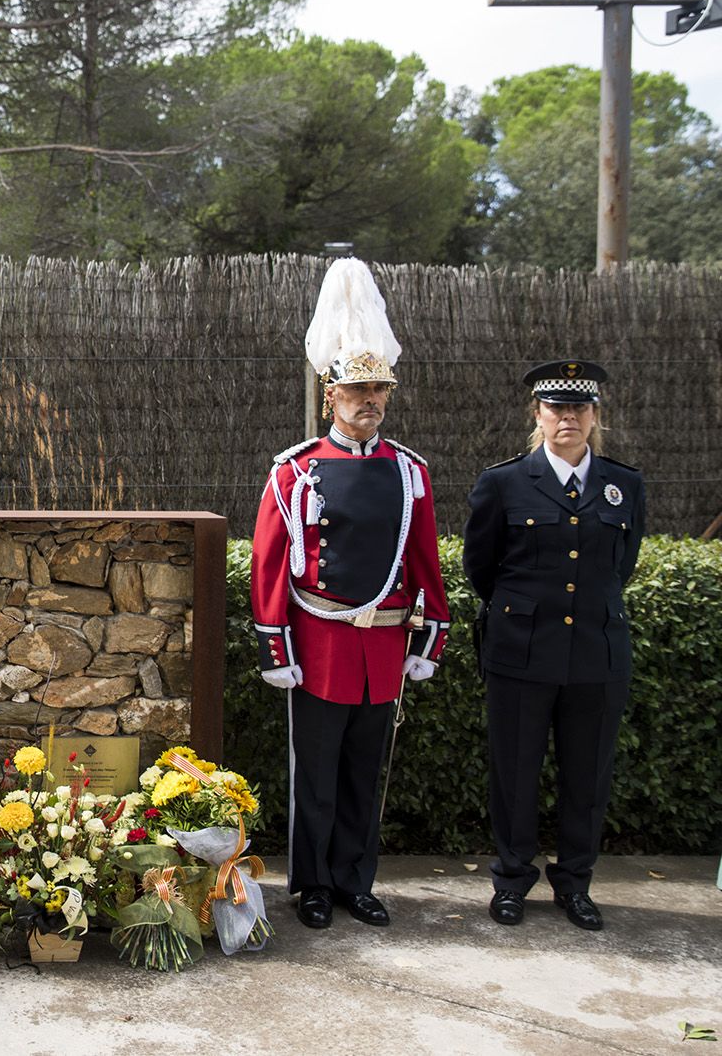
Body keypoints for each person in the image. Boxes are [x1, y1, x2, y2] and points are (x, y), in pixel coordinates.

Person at [250, 258, 450, 931]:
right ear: (331, 395)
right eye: (357, 389)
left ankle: (355, 881)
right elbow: (270, 563)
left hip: (385, 643)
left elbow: (424, 558)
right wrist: (276, 644)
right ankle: (310, 884)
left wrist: (431, 636)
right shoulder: (296, 471)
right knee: (317, 776)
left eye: (379, 390)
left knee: (369, 773)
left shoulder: (408, 472)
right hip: (321, 638)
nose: (370, 401)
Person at [463, 360, 645, 931]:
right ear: (537, 415)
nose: (568, 417)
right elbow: (481, 568)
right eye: (556, 408)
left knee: (587, 777)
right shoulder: (504, 482)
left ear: (595, 416)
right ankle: (512, 880)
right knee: (515, 771)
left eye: (579, 408)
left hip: (596, 652)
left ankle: (575, 883)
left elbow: (625, 565)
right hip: (521, 651)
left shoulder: (625, 485)